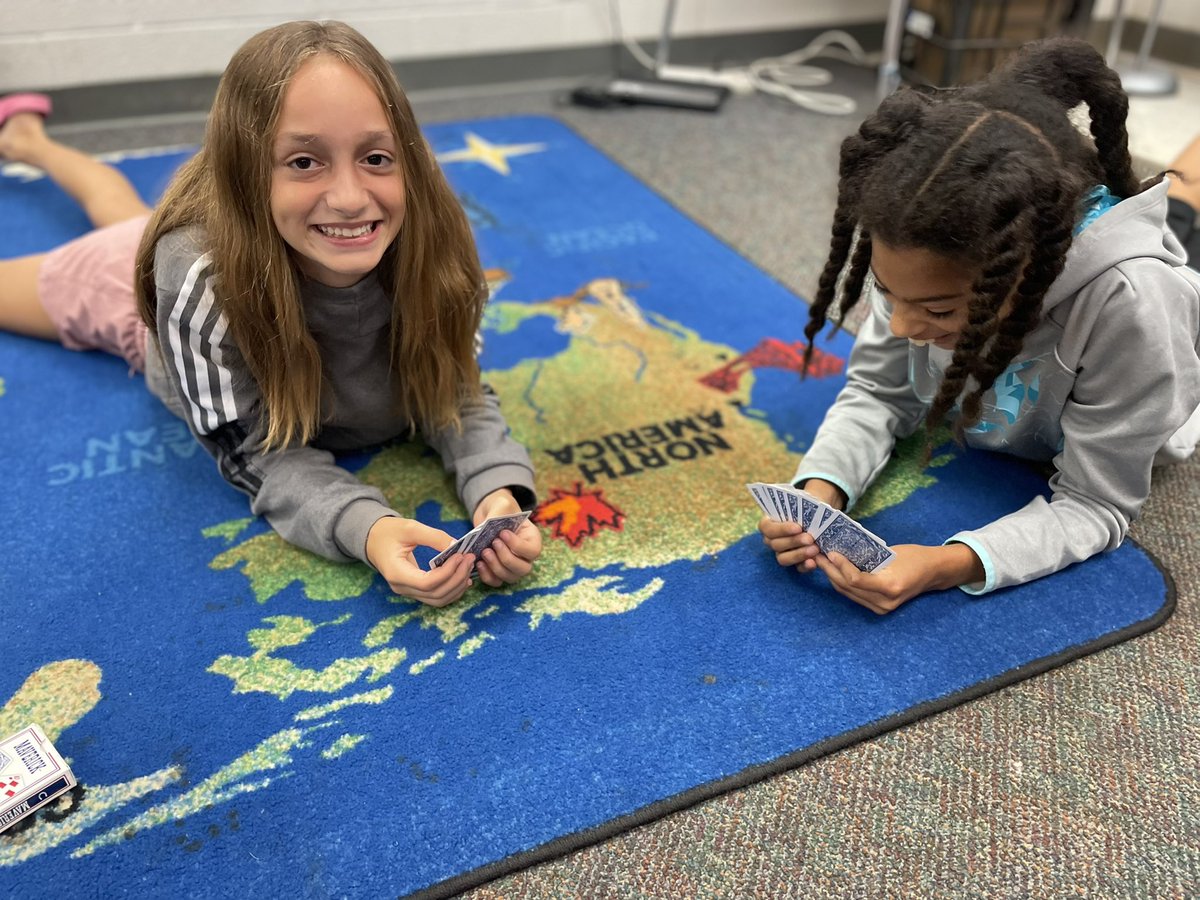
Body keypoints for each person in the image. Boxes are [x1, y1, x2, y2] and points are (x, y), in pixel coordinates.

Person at [0, 20, 542, 607]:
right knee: (106, 237)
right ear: (247, 173)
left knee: (118, 207)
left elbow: (455, 390)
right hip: (133, 294)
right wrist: (369, 528)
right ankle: (29, 143)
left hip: (224, 249)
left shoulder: (432, 239)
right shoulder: (195, 277)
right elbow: (253, 450)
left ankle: (27, 138)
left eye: (376, 157)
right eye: (305, 162)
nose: (351, 198)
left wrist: (498, 489)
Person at [760, 36, 1200, 615]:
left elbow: (1097, 505)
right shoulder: (922, 261)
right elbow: (875, 392)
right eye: (888, 294)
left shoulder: (1135, 307)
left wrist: (947, 565)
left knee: (1188, 206)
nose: (901, 327)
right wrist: (820, 492)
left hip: (1152, 314)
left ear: (1024, 276)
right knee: (1188, 199)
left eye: (939, 311)